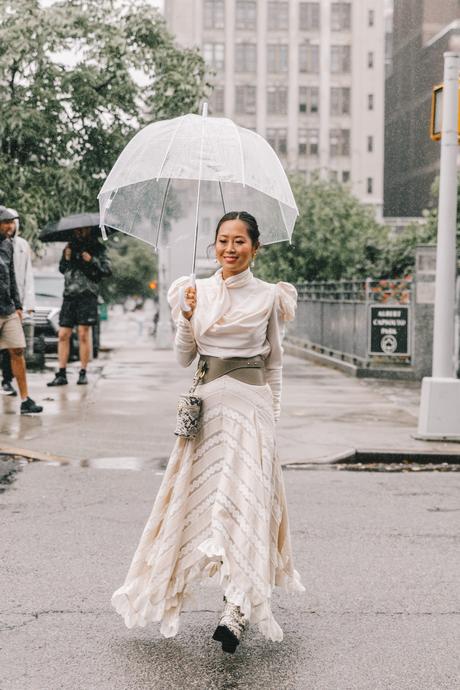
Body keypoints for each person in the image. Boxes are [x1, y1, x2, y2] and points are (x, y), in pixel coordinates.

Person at [111, 211, 304, 653]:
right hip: (209, 411)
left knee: (244, 505)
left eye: (239, 241)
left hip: (251, 413)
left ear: (255, 247)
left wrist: (272, 419)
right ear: (213, 244)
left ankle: (236, 607)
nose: (229, 249)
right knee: (202, 503)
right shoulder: (195, 290)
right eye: (222, 240)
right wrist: (186, 316)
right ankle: (204, 589)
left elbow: (274, 364)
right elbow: (184, 358)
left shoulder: (270, 297)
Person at [47, 226, 111, 387]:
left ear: (89, 230)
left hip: (87, 296)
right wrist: (67, 258)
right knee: (63, 334)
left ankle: (83, 372)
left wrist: (92, 260)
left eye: (83, 230)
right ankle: (61, 373)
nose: (79, 232)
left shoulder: (98, 248)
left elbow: (107, 270)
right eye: (77, 230)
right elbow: (62, 269)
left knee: (83, 334)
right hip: (69, 295)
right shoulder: (69, 246)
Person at [0, 206, 42, 414]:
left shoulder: (9, 246)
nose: (10, 226)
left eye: (12, 222)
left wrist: (18, 305)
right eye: (6, 222)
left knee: (17, 350)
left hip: (8, 309)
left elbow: (12, 278)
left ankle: (25, 400)